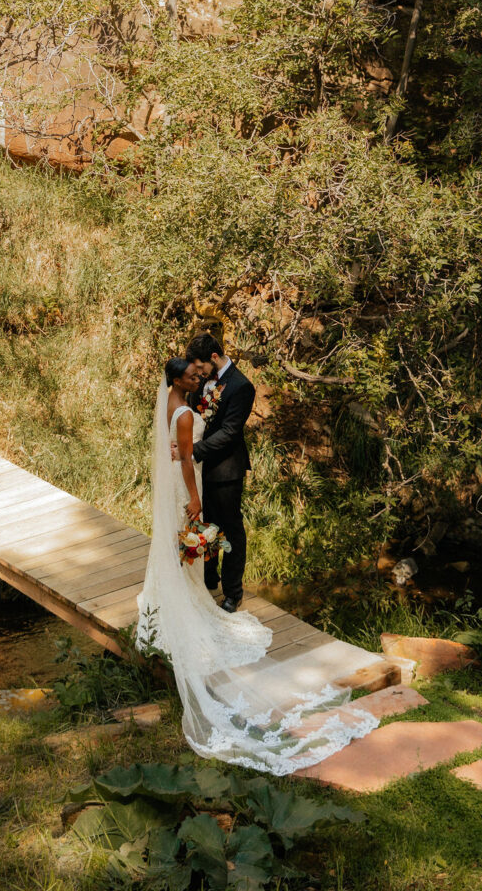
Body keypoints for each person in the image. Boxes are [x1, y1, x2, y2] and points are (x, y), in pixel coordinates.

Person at [136, 350, 379, 775]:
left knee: (184, 546)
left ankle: (194, 596)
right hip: (188, 482)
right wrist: (193, 496)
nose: (200, 379)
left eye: (201, 372)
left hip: (195, 476)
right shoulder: (186, 412)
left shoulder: (176, 404)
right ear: (180, 380)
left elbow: (192, 443)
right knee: (191, 540)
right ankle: (198, 599)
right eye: (194, 375)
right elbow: (189, 458)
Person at [184, 332, 255, 613]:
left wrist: (194, 451)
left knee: (231, 531)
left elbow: (229, 432)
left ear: (214, 358)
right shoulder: (201, 380)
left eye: (201, 368)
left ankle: (232, 592)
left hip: (226, 470)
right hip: (200, 470)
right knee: (206, 526)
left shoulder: (241, 386)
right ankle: (208, 579)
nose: (198, 375)